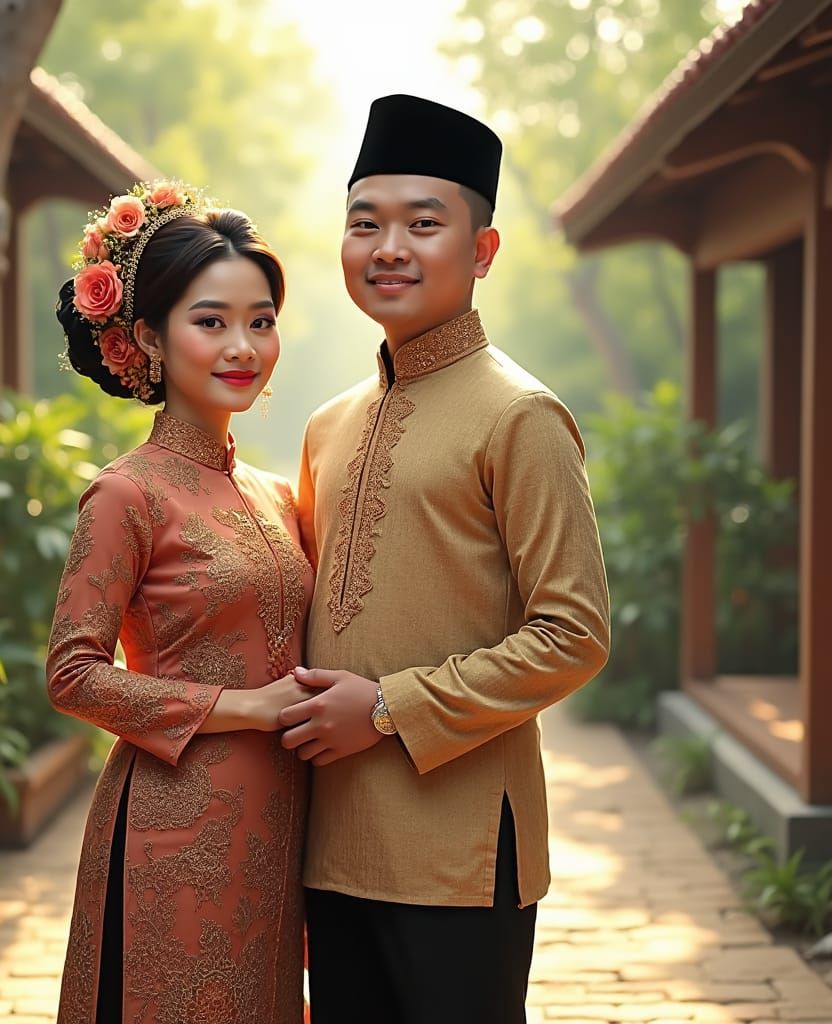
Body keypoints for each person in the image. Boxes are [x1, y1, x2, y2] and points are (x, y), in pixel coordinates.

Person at [280, 95, 611, 1023]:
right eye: (365, 223)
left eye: (424, 223)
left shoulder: (522, 417)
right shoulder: (327, 425)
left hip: (462, 854)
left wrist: (388, 708)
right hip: (331, 846)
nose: (390, 247)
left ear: (483, 250)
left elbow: (573, 635)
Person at [47, 180, 315, 1024]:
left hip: (283, 826)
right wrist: (246, 708)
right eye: (212, 321)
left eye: (261, 320)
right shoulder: (126, 494)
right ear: (148, 338)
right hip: (175, 825)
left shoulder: (278, 495)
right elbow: (73, 675)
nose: (243, 346)